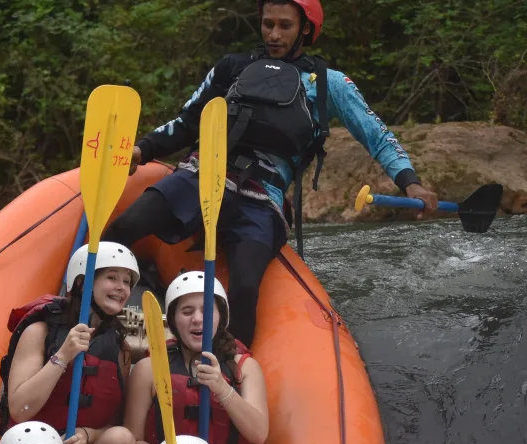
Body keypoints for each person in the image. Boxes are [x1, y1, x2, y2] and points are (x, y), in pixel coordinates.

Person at [103, 0, 439, 347]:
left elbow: (377, 135)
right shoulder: (232, 67)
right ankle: (94, 320)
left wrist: (410, 183)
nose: (274, 35)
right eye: (268, 24)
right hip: (201, 175)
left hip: (262, 197)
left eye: (285, 26)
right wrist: (144, 149)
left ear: (305, 29)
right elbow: (188, 122)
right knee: (125, 227)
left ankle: (229, 365)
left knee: (245, 287)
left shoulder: (328, 84)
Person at [125, 271, 270, 444]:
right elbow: (134, 442)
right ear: (173, 320)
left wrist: (222, 389)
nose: (197, 319)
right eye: (187, 311)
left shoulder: (243, 368)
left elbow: (258, 433)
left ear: (220, 317)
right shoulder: (148, 369)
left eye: (206, 310)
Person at [2, 242, 142, 444]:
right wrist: (63, 356)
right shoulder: (40, 332)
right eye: (112, 278)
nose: (121, 288)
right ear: (82, 283)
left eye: (127, 281)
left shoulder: (120, 350)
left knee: (121, 439)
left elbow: (116, 423)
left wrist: (89, 435)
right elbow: (19, 409)